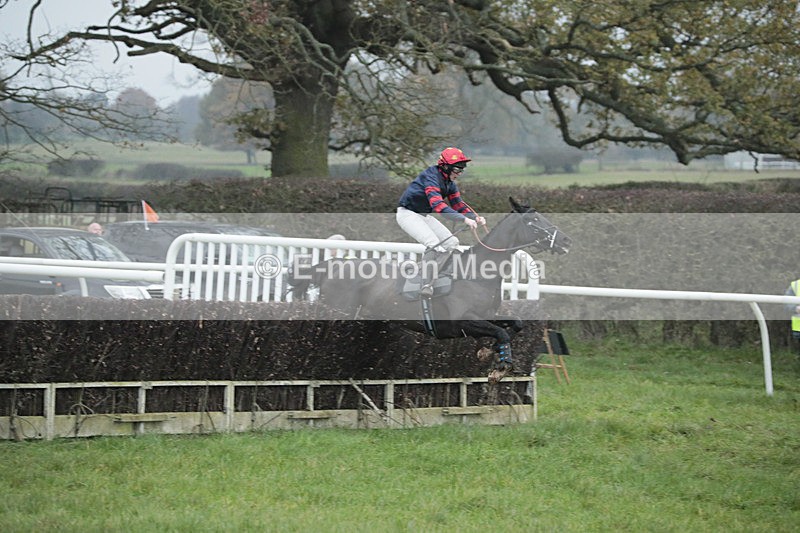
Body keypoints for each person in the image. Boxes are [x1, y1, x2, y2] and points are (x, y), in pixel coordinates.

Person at [397, 147, 486, 296]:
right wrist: (464, 219)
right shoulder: (430, 177)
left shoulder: (449, 183)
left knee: (452, 243)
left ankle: (428, 273)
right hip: (407, 214)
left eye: (461, 170)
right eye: (457, 169)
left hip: (423, 215)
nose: (459, 173)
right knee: (434, 245)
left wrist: (474, 217)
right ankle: (426, 285)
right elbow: (437, 205)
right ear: (445, 166)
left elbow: (458, 204)